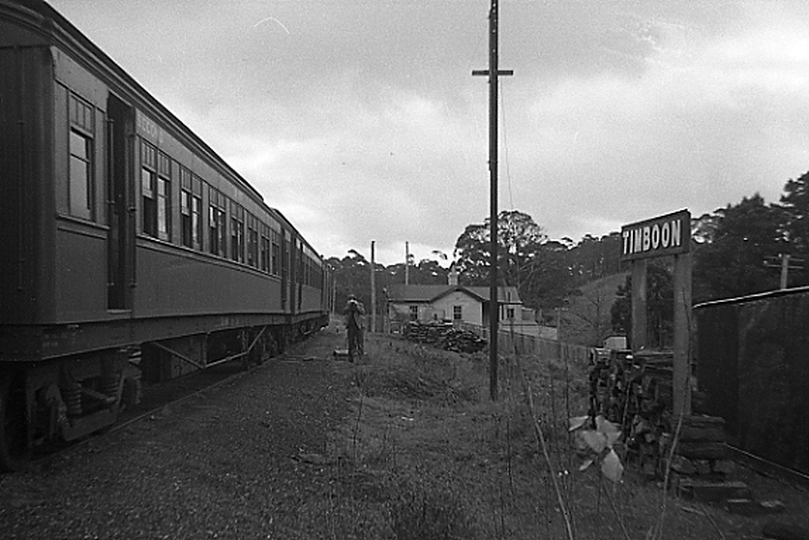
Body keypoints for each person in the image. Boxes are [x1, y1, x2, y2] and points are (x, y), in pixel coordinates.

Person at [343, 294, 365, 361]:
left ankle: (361, 357)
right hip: (351, 326)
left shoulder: (360, 305)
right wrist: (349, 306)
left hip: (359, 326)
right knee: (351, 342)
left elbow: (363, 312)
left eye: (353, 299)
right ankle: (351, 358)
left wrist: (357, 305)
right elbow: (344, 312)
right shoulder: (348, 306)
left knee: (360, 342)